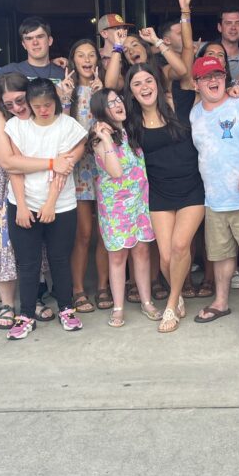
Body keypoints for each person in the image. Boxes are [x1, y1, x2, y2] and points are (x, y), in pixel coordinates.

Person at [0, 72, 75, 329]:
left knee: (32, 248)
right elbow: (8, 162)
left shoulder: (36, 116)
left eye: (20, 101)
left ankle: (34, 299)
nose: (16, 108)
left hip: (32, 184)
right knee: (3, 244)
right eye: (9, 104)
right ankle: (8, 303)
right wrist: (54, 163)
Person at [189, 54, 239, 323]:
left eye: (217, 75)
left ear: (225, 78)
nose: (213, 81)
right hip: (215, 200)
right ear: (197, 84)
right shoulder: (195, 113)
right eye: (206, 77)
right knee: (221, 256)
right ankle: (221, 302)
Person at [124, 61, 206, 333]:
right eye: (137, 84)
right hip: (158, 191)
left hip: (192, 188)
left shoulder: (180, 103)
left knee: (181, 246)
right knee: (167, 258)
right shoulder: (130, 121)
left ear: (157, 84)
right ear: (131, 91)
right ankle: (178, 293)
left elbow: (196, 80)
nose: (144, 87)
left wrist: (234, 93)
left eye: (148, 81)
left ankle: (171, 305)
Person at [4, 78, 87, 340]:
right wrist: (22, 206)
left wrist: (50, 204)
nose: (43, 110)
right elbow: (14, 168)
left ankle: (66, 308)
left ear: (57, 102)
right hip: (22, 203)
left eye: (48, 104)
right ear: (29, 104)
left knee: (60, 259)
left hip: (60, 204)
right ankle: (26, 314)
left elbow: (63, 169)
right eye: (37, 105)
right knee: (27, 263)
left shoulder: (68, 126)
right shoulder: (16, 126)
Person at [89, 89, 157, 327]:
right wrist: (107, 139)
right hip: (116, 207)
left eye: (119, 99)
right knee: (118, 256)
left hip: (140, 203)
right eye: (110, 103)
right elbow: (116, 171)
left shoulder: (130, 131)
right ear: (100, 111)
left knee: (141, 252)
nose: (118, 104)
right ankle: (118, 308)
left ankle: (146, 301)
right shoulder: (99, 139)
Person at [56, 39, 110, 316]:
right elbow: (60, 131)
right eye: (81, 55)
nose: (87, 59)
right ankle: (77, 289)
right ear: (72, 61)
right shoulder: (66, 89)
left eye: (91, 55)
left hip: (104, 164)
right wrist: (65, 99)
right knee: (83, 233)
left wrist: (105, 97)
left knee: (104, 232)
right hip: (79, 167)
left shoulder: (106, 88)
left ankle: (103, 286)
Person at [218, 8, 239, 82]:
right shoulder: (205, 52)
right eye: (228, 23)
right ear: (220, 27)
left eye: (238, 23)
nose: (233, 28)